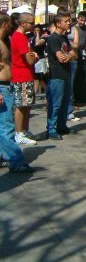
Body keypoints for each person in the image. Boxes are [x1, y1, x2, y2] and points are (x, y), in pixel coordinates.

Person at [0, 12, 34, 173]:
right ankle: (16, 160)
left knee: (4, 126)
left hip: (7, 85)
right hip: (3, 86)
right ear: (4, 24)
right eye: (9, 24)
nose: (11, 26)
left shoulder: (5, 41)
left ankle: (3, 156)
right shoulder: (11, 40)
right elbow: (28, 59)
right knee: (7, 127)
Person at [46, 12, 78, 140]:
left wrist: (69, 56)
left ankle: (62, 125)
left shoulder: (64, 38)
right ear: (58, 24)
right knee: (56, 103)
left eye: (69, 20)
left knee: (65, 102)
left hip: (66, 74)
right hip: (56, 75)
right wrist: (69, 56)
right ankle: (51, 128)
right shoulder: (53, 38)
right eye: (66, 21)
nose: (69, 23)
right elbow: (61, 58)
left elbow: (73, 54)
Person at [10, 13, 38, 145]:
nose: (33, 25)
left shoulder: (24, 37)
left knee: (27, 105)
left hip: (27, 74)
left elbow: (31, 55)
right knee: (21, 106)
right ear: (23, 23)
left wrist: (33, 55)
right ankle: (19, 132)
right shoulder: (19, 37)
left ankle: (25, 130)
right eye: (31, 23)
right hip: (21, 75)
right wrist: (33, 56)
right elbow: (30, 59)